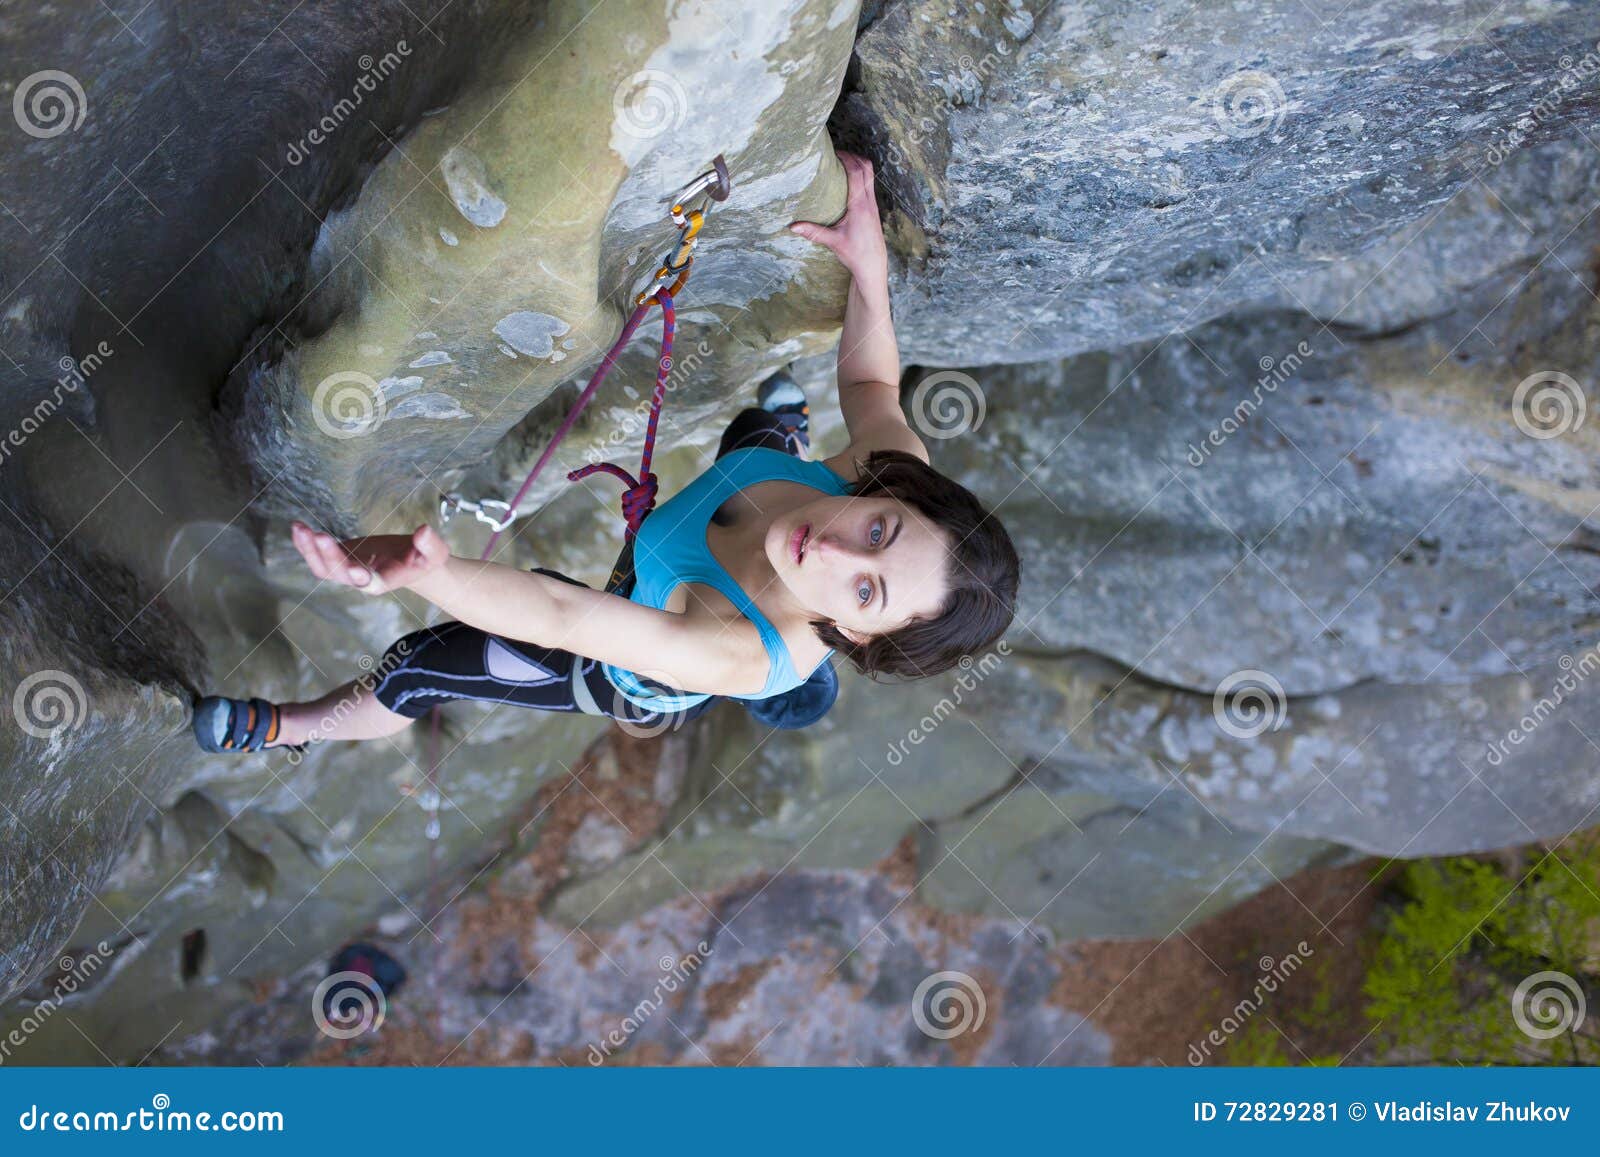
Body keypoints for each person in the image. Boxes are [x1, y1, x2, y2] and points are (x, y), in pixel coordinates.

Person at [192, 154, 1020, 754]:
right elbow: (873, 388)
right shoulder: (885, 468)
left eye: (866, 589)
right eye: (877, 530)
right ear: (891, 491)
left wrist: (425, 573)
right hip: (705, 530)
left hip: (625, 663)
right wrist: (870, 273)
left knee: (417, 665)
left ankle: (290, 730)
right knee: (760, 432)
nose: (836, 549)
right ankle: (782, 429)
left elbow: (562, 614)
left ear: (853, 632)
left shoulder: (736, 648)